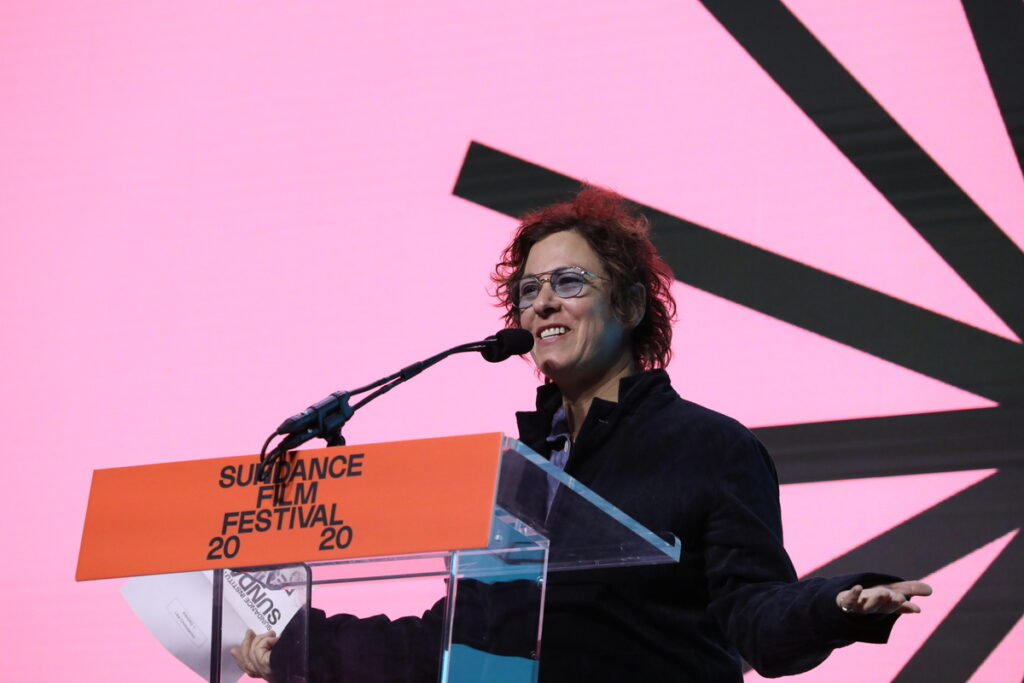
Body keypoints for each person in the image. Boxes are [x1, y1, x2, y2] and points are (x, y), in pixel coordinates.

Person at [234, 187, 931, 681]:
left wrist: (837, 605)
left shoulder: (710, 447)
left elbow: (756, 616)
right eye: (528, 290)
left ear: (629, 303)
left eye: (567, 282)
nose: (541, 303)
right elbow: (454, 641)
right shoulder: (516, 476)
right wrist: (300, 646)